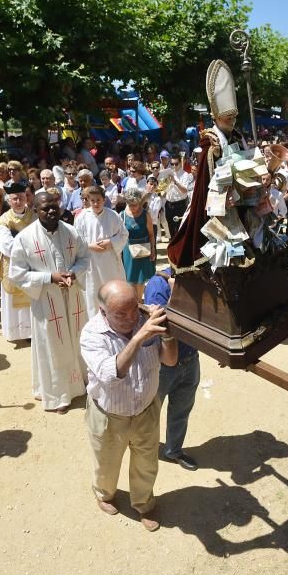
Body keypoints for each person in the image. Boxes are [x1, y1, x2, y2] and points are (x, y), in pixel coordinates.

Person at [79, 280, 178, 531]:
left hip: (146, 409)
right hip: (109, 414)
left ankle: (144, 504)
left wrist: (167, 333)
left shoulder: (146, 319)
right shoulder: (92, 334)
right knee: (107, 462)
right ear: (103, 312)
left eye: (134, 309)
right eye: (120, 314)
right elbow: (113, 374)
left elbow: (170, 360)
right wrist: (140, 337)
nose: (131, 317)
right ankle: (104, 494)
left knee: (146, 463)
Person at [9, 189, 90, 412]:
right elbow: (16, 274)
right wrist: (49, 277)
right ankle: (57, 395)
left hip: (72, 297)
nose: (51, 211)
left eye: (54, 206)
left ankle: (80, 383)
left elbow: (84, 258)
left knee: (77, 337)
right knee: (52, 345)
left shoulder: (72, 232)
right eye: (45, 208)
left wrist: (73, 273)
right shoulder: (25, 238)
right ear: (35, 210)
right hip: (47, 301)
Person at [144, 267, 200, 471]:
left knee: (181, 409)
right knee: (149, 413)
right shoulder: (158, 284)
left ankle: (173, 450)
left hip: (191, 358)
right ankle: (144, 451)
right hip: (163, 366)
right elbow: (159, 325)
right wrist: (179, 297)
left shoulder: (202, 280)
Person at [74, 186, 128, 318]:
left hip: (109, 262)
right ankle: (94, 319)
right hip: (91, 263)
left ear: (104, 200)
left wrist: (110, 242)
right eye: (92, 200)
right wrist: (91, 246)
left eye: (98, 200)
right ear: (88, 200)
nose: (96, 203)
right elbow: (76, 240)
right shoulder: (82, 217)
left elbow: (124, 235)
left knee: (111, 291)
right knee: (93, 292)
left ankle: (114, 317)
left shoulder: (113, 216)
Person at [0, 182, 35, 342]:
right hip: (13, 265)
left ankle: (32, 332)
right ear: (9, 201)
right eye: (14, 199)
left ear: (26, 198)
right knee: (15, 300)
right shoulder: (4, 220)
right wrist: (27, 245)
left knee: (32, 297)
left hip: (32, 265)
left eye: (21, 197)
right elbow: (7, 247)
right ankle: (18, 332)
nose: (18, 201)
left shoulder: (35, 217)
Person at [121, 189, 156, 300]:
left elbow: (151, 234)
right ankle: (133, 303)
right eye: (130, 205)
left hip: (143, 250)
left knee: (141, 280)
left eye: (135, 205)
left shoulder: (146, 215)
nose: (133, 207)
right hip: (128, 251)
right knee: (130, 279)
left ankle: (139, 303)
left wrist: (153, 251)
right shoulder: (122, 215)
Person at [163, 155, 193, 236]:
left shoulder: (185, 175)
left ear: (180, 163)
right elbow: (163, 189)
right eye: (172, 164)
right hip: (168, 204)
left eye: (176, 164)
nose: (174, 166)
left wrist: (175, 182)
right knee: (171, 228)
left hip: (180, 204)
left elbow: (185, 190)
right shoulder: (168, 173)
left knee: (180, 229)